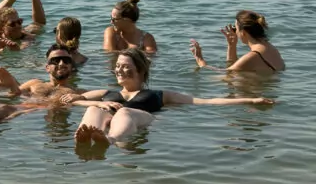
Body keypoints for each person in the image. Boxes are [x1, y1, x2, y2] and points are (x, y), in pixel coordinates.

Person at [68, 48, 272, 149]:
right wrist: (95, 102)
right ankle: (83, 139)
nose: (119, 69)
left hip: (139, 118)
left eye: (125, 66)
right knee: (94, 110)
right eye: (118, 65)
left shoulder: (159, 95)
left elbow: (204, 101)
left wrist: (251, 100)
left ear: (139, 69)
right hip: (110, 117)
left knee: (124, 111)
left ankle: (108, 140)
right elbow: (71, 100)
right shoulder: (105, 94)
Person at [191, 11, 284, 74]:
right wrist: (231, 46)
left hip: (256, 95)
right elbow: (235, 69)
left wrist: (201, 62)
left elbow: (224, 75)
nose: (235, 32)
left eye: (236, 29)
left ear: (243, 32)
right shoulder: (272, 49)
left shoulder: (252, 57)